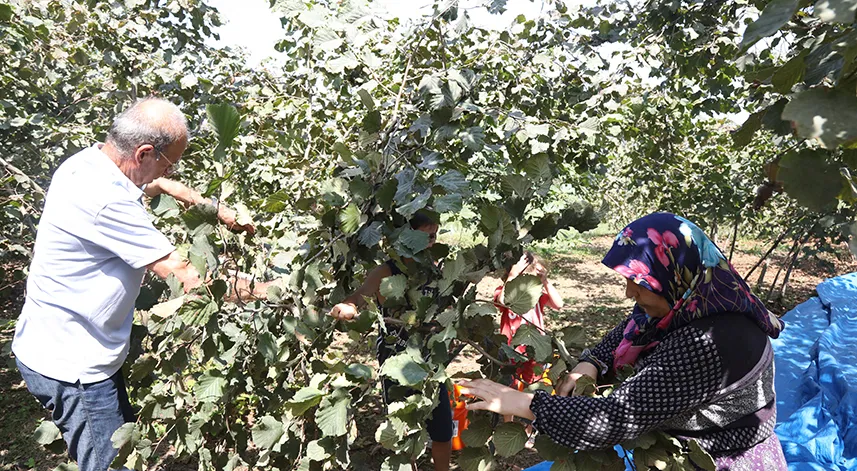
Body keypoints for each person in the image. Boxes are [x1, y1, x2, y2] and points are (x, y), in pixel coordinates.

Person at [12, 97, 269, 471]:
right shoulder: (106, 200)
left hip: (62, 344)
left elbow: (155, 183)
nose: (171, 168)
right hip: (75, 366)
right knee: (111, 464)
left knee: (117, 445)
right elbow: (188, 278)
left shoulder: (88, 163)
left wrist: (212, 208)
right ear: (144, 152)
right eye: (170, 160)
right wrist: (273, 291)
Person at [460, 212, 788, 470]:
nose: (630, 292)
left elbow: (617, 417)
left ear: (676, 271)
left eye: (639, 282)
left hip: (721, 462)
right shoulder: (679, 305)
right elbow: (623, 334)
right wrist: (591, 363)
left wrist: (524, 404)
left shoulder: (711, 342)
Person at [328, 213, 453, 471]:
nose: (432, 241)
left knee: (442, 427)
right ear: (407, 236)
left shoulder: (436, 269)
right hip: (397, 361)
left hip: (431, 363)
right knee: (403, 427)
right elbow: (360, 296)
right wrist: (347, 306)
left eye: (435, 235)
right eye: (426, 235)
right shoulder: (386, 271)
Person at [494, 252, 562, 428]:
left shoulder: (537, 295)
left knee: (533, 386)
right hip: (512, 347)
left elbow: (558, 304)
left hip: (535, 347)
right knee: (509, 386)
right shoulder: (505, 291)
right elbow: (502, 301)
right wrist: (512, 276)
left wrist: (545, 281)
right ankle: (508, 424)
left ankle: (529, 426)